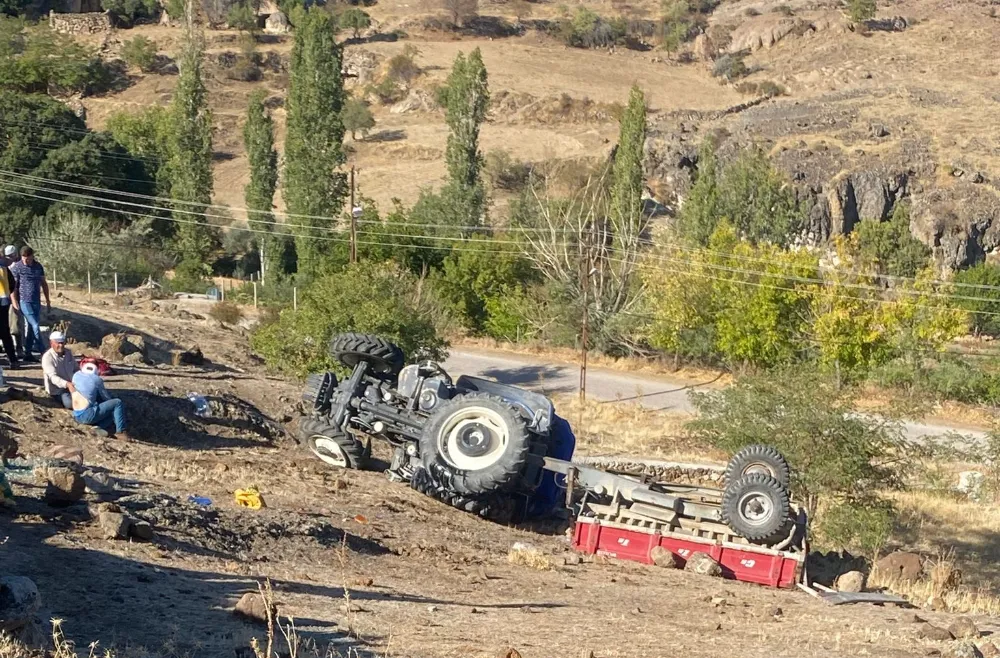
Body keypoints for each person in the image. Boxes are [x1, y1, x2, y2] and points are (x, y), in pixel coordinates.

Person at [10, 246, 50, 363]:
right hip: (24, 301)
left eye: (27, 258)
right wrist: (14, 301)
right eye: (23, 258)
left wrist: (47, 300)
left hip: (36, 301)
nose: (25, 261)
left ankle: (28, 353)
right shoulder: (17, 267)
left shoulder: (38, 267)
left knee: (31, 328)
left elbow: (43, 283)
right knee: (35, 325)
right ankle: (44, 352)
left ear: (32, 256)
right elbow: (13, 287)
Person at [71, 363, 131, 440]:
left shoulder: (76, 375)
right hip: (87, 415)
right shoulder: (96, 379)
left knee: (111, 412)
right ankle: (121, 432)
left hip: (77, 415)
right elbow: (105, 397)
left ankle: (97, 428)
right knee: (117, 403)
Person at [42, 331, 76, 408]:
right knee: (69, 403)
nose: (60, 345)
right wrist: (67, 384)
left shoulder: (68, 353)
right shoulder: (48, 357)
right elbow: (53, 377)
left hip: (72, 385)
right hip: (58, 390)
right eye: (58, 343)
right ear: (51, 343)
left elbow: (76, 369)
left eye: (62, 343)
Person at [0, 253, 17, 369]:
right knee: (5, 332)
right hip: (3, 303)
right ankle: (13, 360)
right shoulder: (4, 269)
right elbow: (12, 284)